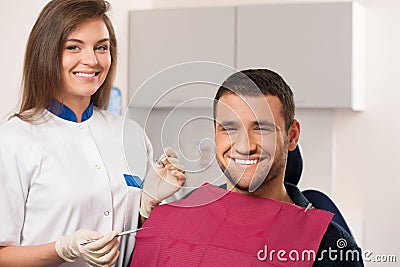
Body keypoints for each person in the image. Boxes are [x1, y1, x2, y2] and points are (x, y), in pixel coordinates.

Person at [0, 0, 185, 266]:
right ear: (47, 53)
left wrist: (148, 206)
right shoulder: (14, 140)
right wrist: (62, 249)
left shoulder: (129, 133)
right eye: (73, 47)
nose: (92, 60)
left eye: (102, 47)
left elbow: (140, 238)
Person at [130, 69, 364, 266]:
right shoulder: (185, 212)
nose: (245, 146)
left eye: (261, 128)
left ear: (291, 136)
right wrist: (146, 216)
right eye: (229, 128)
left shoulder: (330, 244)